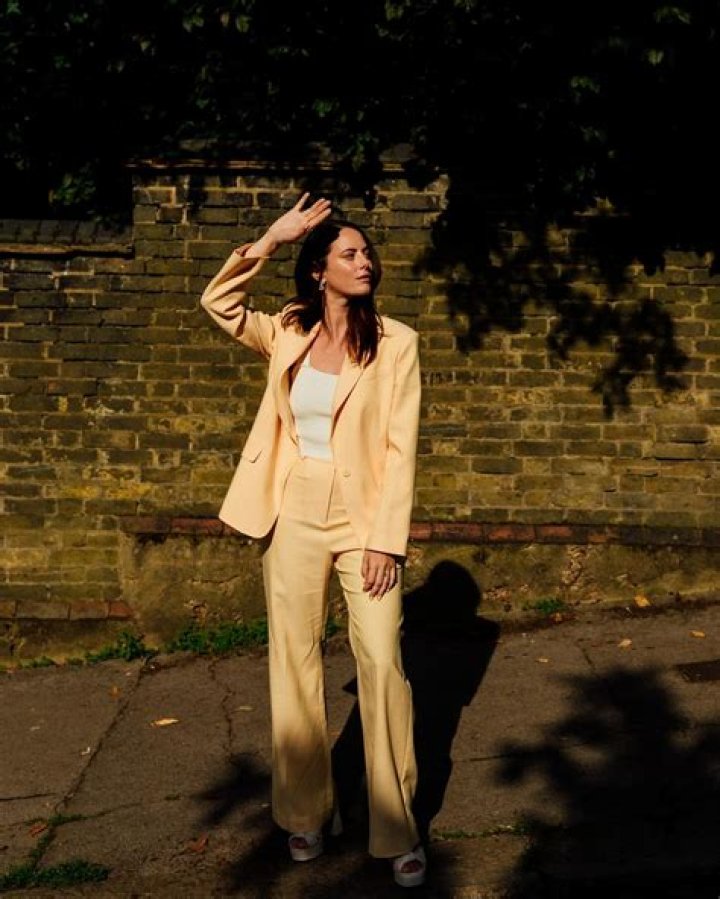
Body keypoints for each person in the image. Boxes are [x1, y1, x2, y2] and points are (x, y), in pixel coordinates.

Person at [200, 193, 425, 888]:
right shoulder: (289, 329)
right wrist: (270, 239)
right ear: (319, 271)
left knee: (381, 659)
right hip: (293, 508)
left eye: (367, 253)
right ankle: (304, 813)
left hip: (364, 519)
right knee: (293, 659)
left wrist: (385, 541)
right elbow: (219, 304)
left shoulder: (397, 342)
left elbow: (401, 450)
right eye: (349, 253)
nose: (365, 262)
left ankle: (396, 825)